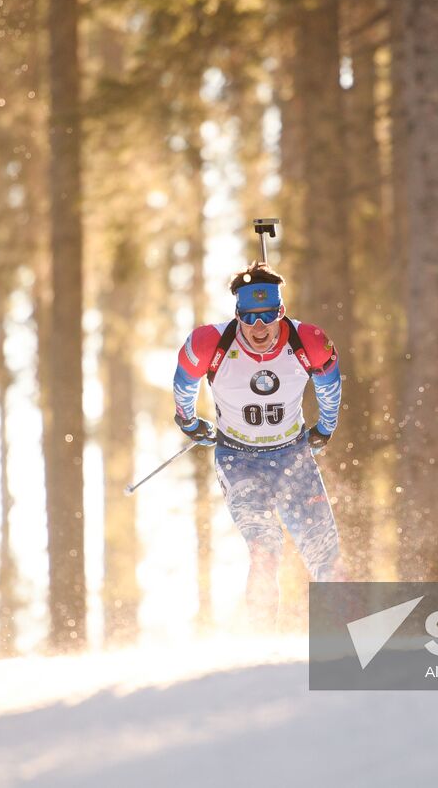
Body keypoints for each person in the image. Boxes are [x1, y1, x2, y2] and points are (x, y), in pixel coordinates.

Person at [172, 262, 346, 627]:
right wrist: (188, 421)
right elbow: (184, 384)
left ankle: (344, 637)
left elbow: (330, 387)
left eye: (269, 315)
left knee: (323, 551)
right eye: (249, 317)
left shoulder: (308, 340)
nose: (259, 327)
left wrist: (325, 428)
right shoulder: (210, 342)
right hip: (239, 458)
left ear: (281, 312)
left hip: (292, 454)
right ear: (237, 315)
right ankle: (261, 640)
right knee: (264, 547)